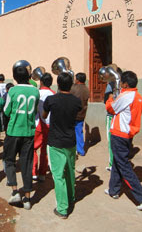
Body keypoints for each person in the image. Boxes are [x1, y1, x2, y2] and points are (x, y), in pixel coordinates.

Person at [105, 71, 142, 211]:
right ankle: (113, 190)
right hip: (128, 133)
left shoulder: (126, 96)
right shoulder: (138, 97)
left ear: (125, 84)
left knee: (124, 165)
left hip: (119, 133)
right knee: (117, 162)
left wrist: (109, 98)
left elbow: (111, 108)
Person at [42, 72, 81, 219]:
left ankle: (62, 208)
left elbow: (44, 115)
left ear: (57, 84)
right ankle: (71, 198)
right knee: (70, 171)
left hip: (55, 142)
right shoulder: (76, 101)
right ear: (71, 85)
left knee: (58, 176)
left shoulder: (51, 100)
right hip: (70, 141)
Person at [3, 66, 40, 210]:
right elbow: (35, 110)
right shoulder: (35, 91)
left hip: (13, 131)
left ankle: (14, 191)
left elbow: (6, 111)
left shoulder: (12, 91)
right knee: (27, 164)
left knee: (10, 160)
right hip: (29, 132)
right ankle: (27, 199)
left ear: (15, 77)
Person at [33, 73, 55, 181]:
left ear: (41, 82)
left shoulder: (37, 93)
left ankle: (33, 172)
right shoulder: (53, 94)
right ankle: (42, 173)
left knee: (33, 148)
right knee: (44, 150)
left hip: (38, 123)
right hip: (50, 124)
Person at [104, 64, 122, 171]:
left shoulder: (111, 84)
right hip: (119, 115)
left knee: (111, 140)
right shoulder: (122, 84)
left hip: (111, 115)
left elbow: (107, 99)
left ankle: (112, 164)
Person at [70, 72, 90, 156]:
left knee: (71, 132)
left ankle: (72, 149)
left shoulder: (74, 88)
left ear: (77, 80)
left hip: (73, 114)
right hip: (82, 114)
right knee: (79, 132)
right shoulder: (86, 89)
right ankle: (81, 150)